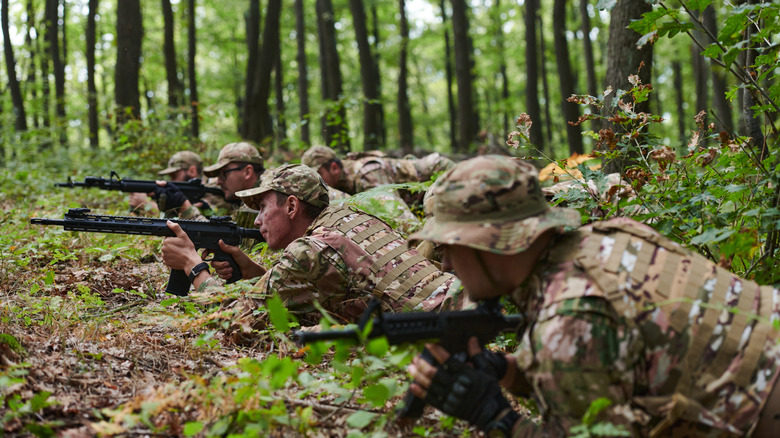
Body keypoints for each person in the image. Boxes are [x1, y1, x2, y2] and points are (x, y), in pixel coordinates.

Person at [406, 154, 780, 437]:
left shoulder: (566, 322)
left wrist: (496, 417)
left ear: (489, 243)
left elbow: (573, 351)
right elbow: (605, 363)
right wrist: (505, 370)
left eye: (449, 246)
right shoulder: (609, 239)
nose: (448, 263)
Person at [160, 164, 469, 326]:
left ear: (292, 207)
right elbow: (311, 292)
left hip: (449, 330)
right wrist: (255, 271)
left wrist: (192, 264)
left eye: (263, 208)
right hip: (467, 302)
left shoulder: (309, 251)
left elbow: (229, 315)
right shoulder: (355, 219)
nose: (256, 221)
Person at [128, 150, 214, 216]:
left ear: (192, 171)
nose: (171, 182)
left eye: (174, 176)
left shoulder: (213, 190)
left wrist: (147, 205)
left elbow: (199, 219)